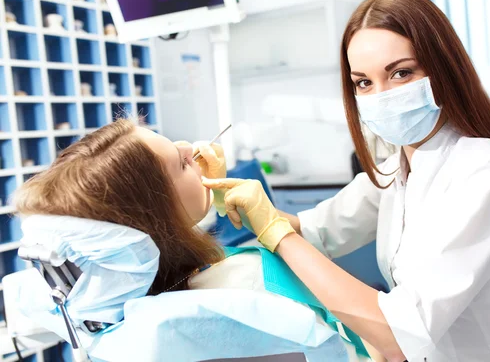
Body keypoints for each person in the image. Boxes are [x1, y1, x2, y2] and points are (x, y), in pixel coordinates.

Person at [201, 0, 490, 362]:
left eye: (401, 73)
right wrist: (230, 199)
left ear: (441, 69)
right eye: (363, 82)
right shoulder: (397, 169)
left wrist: (275, 232)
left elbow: (401, 335)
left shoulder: (484, 172)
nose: (381, 96)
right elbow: (315, 232)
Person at [13, 119, 373, 362]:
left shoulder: (137, 302)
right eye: (181, 162)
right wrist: (277, 232)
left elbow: (166, 248)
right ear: (157, 216)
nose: (191, 148)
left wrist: (206, 204)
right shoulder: (245, 286)